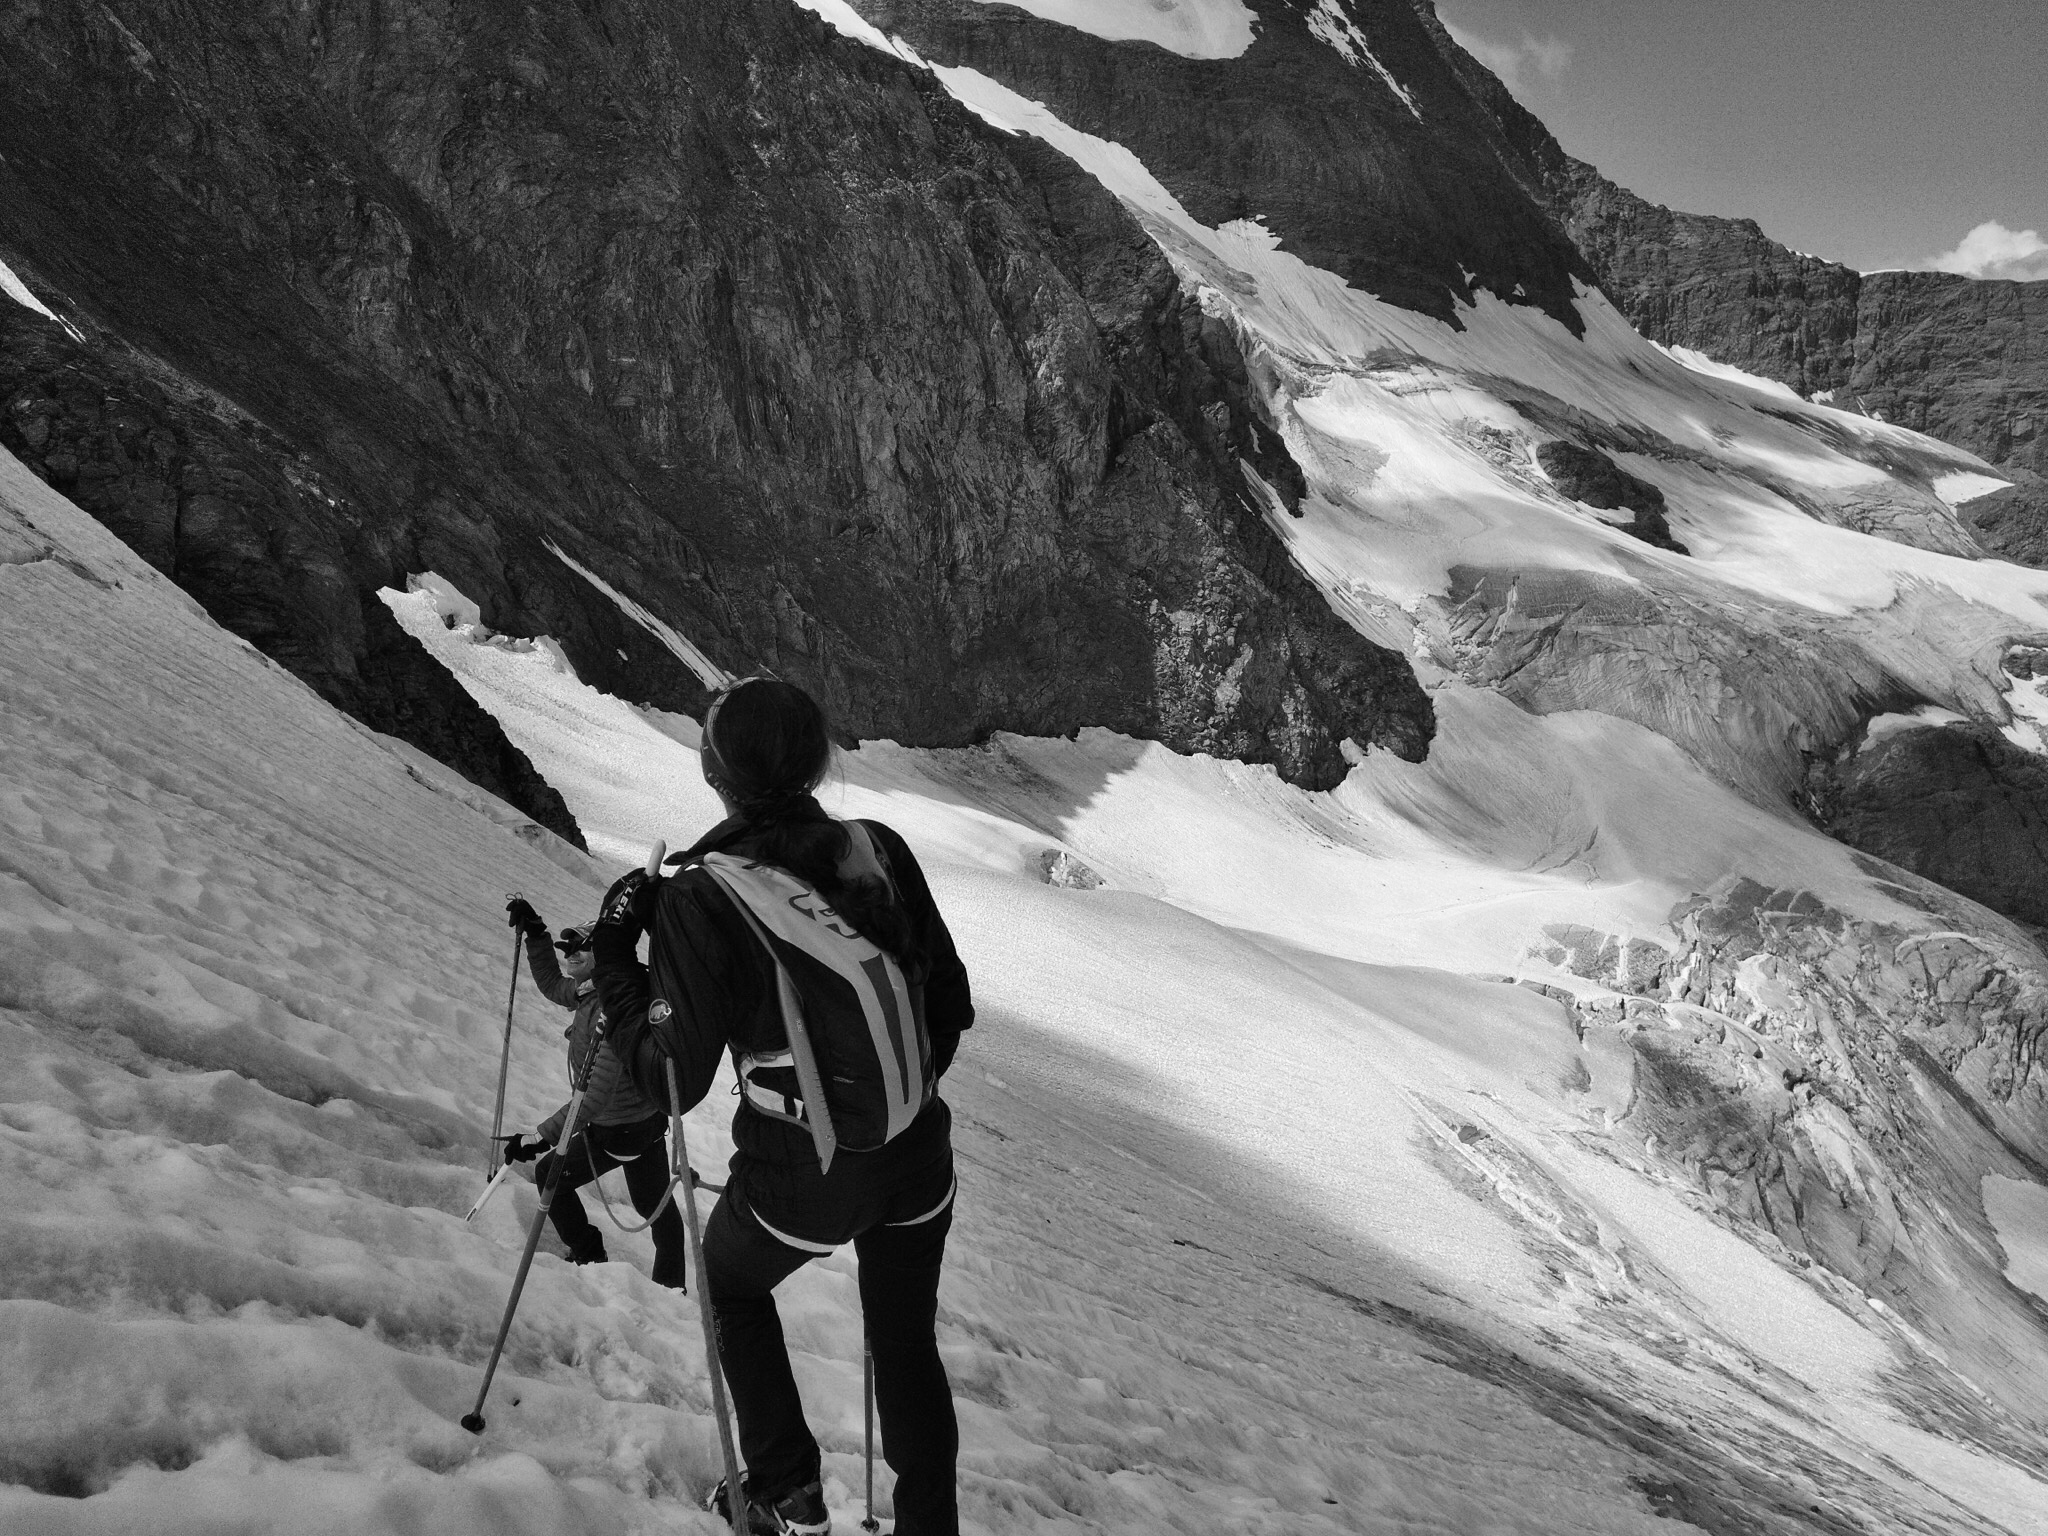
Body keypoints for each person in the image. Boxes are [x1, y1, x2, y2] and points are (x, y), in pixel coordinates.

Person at [591, 677, 973, 1536]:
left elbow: (671, 1080)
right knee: (907, 1342)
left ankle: (786, 1492)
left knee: (728, 1284)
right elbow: (948, 1004)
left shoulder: (701, 895)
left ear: (716, 771)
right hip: (918, 1152)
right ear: (814, 760)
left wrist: (620, 949)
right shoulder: (876, 846)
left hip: (803, 1171)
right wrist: (888, 1099)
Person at [500, 902, 688, 1291]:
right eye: (566, 950)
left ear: (601, 957)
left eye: (578, 950)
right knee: (653, 1207)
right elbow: (555, 985)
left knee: (550, 1175)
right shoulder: (599, 990)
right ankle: (671, 1287)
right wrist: (537, 934)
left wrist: (542, 1137)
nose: (569, 956)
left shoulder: (615, 1009)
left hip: (618, 1128)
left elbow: (596, 1095)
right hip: (642, 1122)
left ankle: (589, 1253)